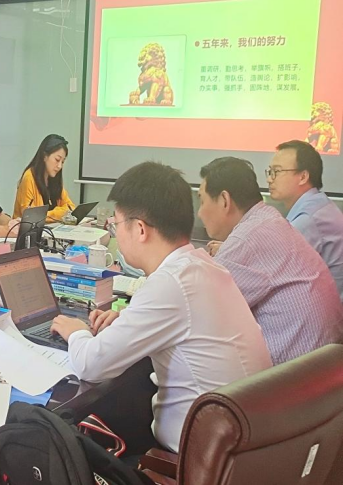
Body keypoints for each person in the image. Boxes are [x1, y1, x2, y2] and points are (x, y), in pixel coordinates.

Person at [50, 161, 271, 454]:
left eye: (116, 225)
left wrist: (76, 331)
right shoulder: (202, 266)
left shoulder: (170, 283)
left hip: (194, 461)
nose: (116, 233)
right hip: (244, 446)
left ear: (140, 229)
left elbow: (90, 365)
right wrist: (128, 320)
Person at [197, 157, 343, 364]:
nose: (199, 213)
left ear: (224, 200)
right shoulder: (268, 219)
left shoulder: (246, 238)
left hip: (289, 375)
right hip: (321, 366)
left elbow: (199, 313)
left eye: (202, 201)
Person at [267, 139, 343, 301]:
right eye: (270, 171)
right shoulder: (317, 204)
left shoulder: (309, 218)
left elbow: (273, 269)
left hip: (327, 309)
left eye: (277, 171)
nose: (269, 179)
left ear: (303, 177)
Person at [14, 134, 76, 223]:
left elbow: (71, 208)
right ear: (44, 156)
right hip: (28, 230)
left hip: (50, 229)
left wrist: (49, 214)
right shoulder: (29, 177)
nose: (59, 166)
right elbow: (30, 216)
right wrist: (59, 213)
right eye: (57, 160)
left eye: (62, 162)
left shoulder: (54, 179)